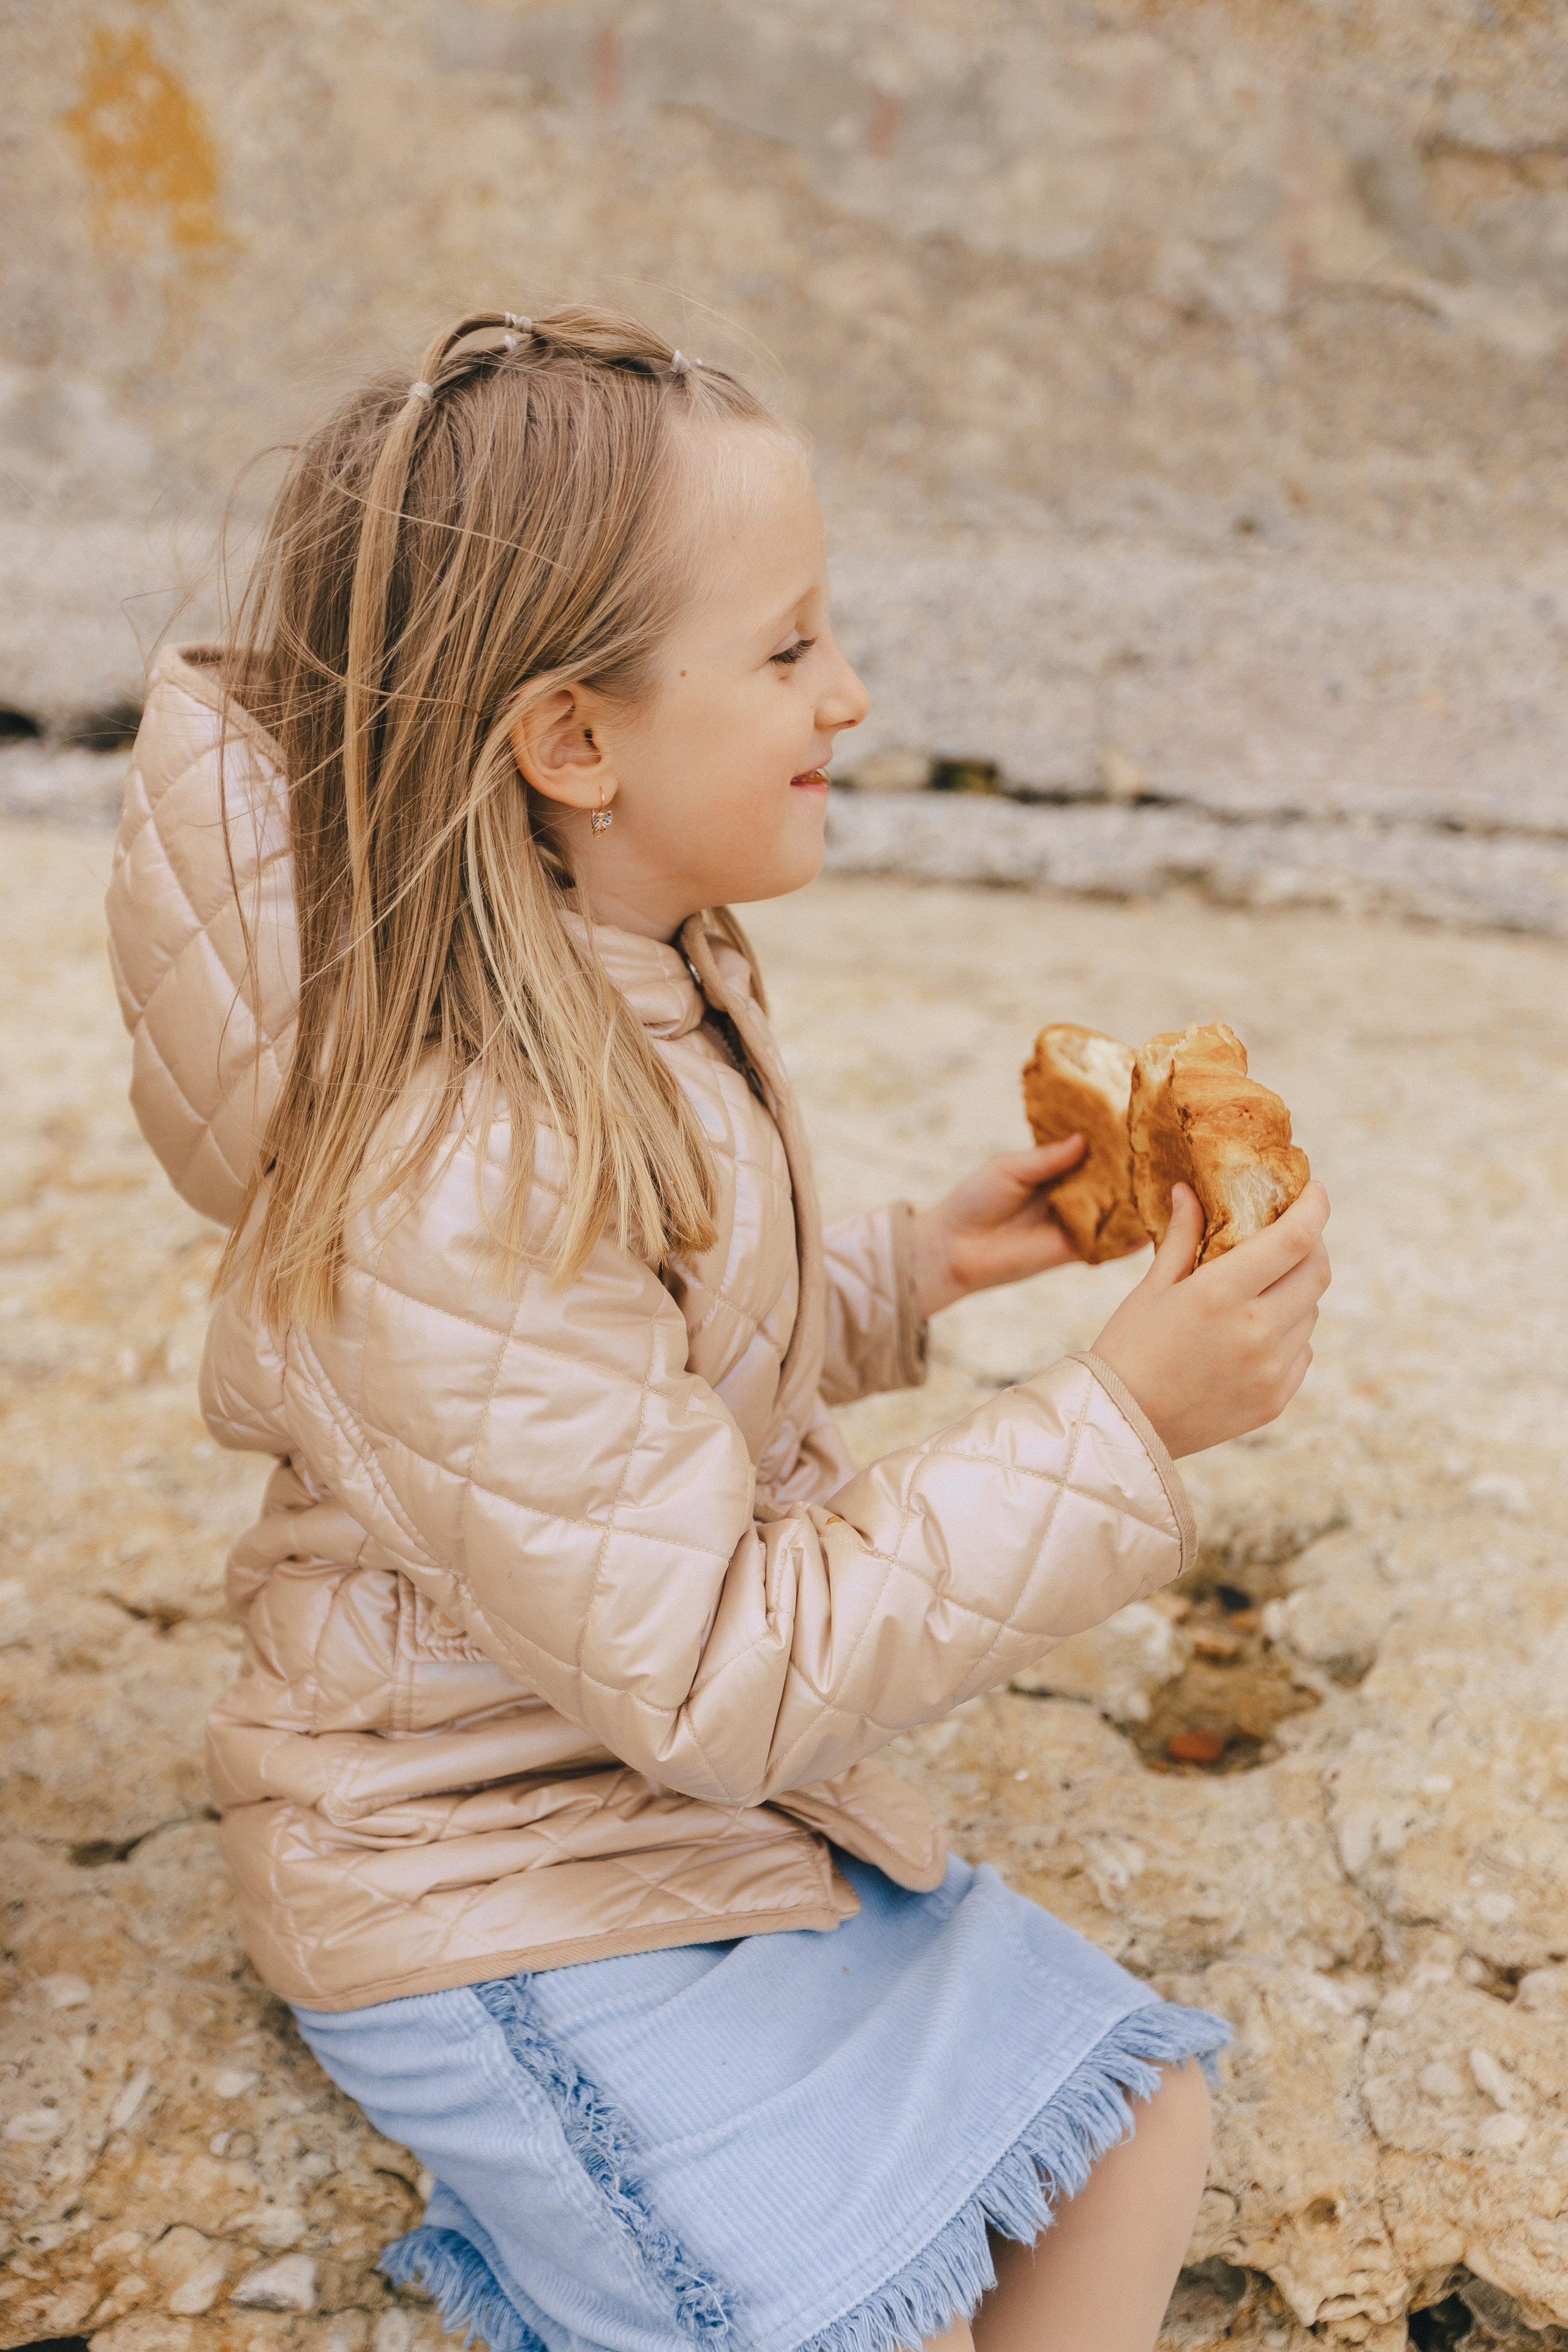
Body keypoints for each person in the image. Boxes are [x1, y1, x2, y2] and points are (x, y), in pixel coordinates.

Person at [107, 307, 1330, 2352]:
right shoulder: (457, 1154)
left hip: (646, 1808)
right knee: (856, 2307)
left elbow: (637, 1372)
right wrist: (1122, 1427)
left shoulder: (634, 963)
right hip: (477, 1881)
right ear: (573, 743)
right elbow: (714, 1665)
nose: (847, 695)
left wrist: (915, 1268)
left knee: (1134, 2113)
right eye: (786, 652)